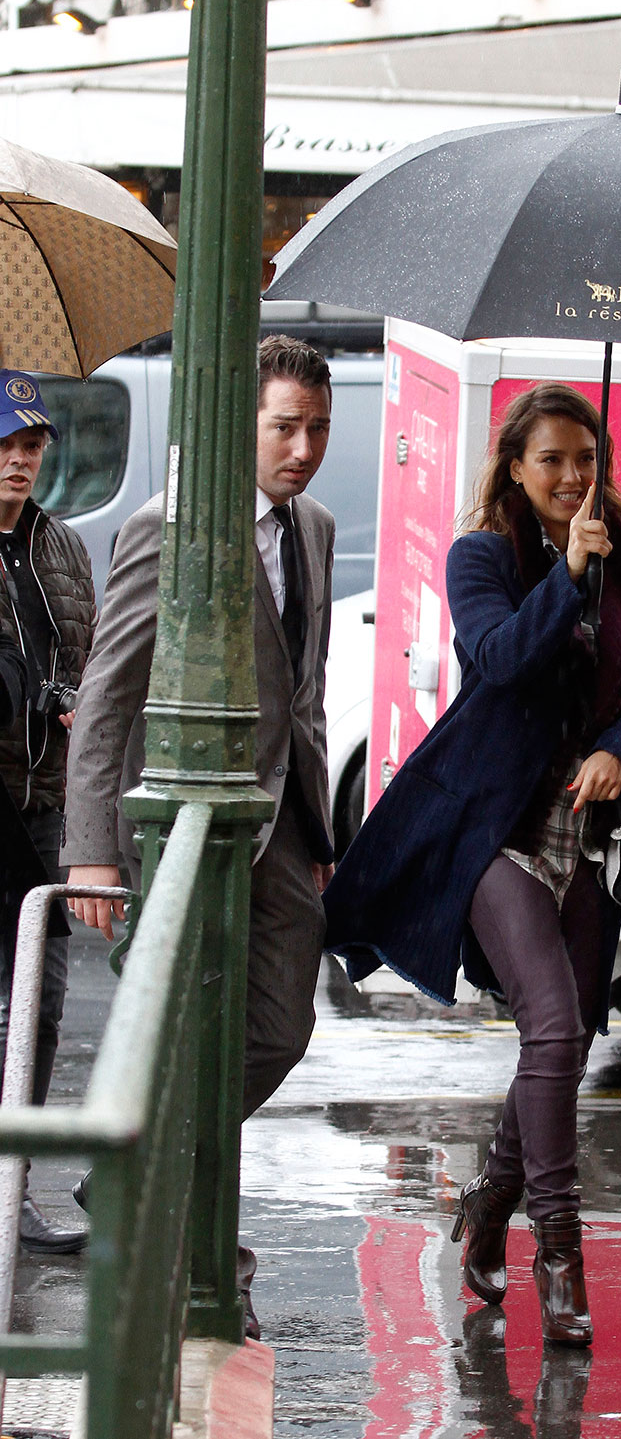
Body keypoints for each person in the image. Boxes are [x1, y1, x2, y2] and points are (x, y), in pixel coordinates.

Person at [323, 383, 621, 1347]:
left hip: (589, 832)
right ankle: (559, 1249)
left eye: (584, 459)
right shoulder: (484, 557)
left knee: (568, 1036)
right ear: (515, 467)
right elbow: (500, 658)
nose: (571, 476)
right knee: (553, 1029)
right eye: (551, 458)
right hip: (495, 827)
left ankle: (487, 1201)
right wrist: (564, 575)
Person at [61, 335, 337, 1338]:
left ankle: (132, 1166)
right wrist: (91, 848)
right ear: (240, 430)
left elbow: (305, 693)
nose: (302, 448)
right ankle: (194, 1241)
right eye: (283, 428)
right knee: (186, 1036)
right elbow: (107, 692)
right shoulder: (168, 524)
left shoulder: (313, 525)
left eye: (317, 429)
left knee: (283, 1029)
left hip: (279, 829)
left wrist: (319, 824)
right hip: (179, 831)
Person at [0, 371, 95, 1254]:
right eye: (5, 444)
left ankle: (11, 1189)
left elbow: (91, 657)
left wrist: (75, 700)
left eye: (30, 444)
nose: (19, 460)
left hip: (42, 809)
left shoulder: (60, 547)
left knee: (40, 1003)